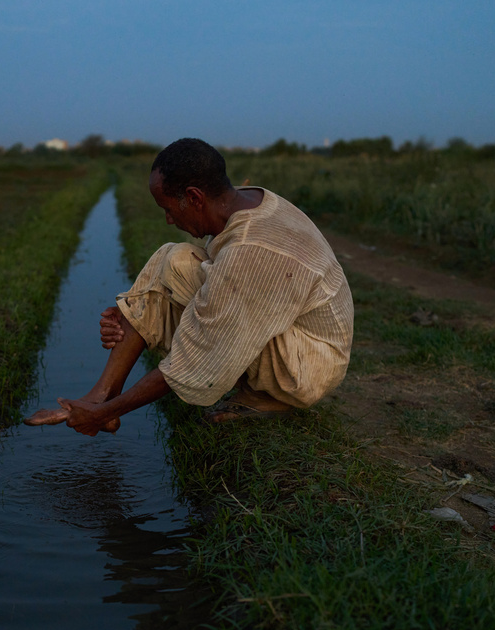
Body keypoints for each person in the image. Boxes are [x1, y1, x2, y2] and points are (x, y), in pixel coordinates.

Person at [24, 138, 353, 436]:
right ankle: (100, 394)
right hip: (288, 328)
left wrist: (106, 415)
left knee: (207, 332)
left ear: (195, 197)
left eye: (169, 209)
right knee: (174, 259)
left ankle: (273, 398)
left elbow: (201, 351)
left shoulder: (251, 252)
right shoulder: (246, 201)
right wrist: (133, 313)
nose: (169, 219)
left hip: (307, 366)